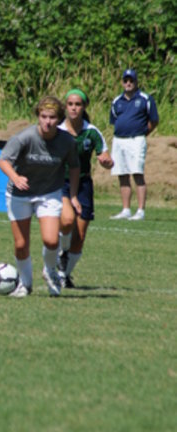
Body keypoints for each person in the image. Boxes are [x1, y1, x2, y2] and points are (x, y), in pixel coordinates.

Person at [0, 95, 81, 297]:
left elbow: (75, 167)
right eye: (43, 116)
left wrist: (73, 195)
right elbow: (3, 160)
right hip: (19, 194)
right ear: (38, 116)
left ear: (59, 119)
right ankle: (25, 285)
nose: (47, 121)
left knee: (51, 241)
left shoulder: (67, 141)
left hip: (49, 193)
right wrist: (15, 177)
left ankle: (50, 271)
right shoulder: (24, 137)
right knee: (21, 244)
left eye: (52, 117)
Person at [57, 89, 114, 288]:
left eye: (78, 104)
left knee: (79, 237)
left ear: (84, 107)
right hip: (60, 183)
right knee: (67, 220)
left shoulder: (92, 132)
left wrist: (107, 162)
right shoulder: (57, 130)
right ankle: (61, 252)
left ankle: (64, 275)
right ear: (65, 106)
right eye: (70, 104)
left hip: (83, 184)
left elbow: (105, 156)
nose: (74, 108)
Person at [109, 68, 159, 220]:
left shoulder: (145, 99)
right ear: (122, 82)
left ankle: (140, 211)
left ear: (136, 82)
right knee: (122, 174)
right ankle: (126, 209)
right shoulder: (117, 101)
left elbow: (154, 120)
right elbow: (115, 120)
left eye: (131, 80)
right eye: (126, 80)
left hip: (136, 140)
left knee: (137, 173)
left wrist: (143, 133)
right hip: (119, 140)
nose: (128, 83)